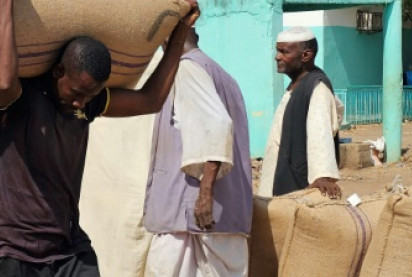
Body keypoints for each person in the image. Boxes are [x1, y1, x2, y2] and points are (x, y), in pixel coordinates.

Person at [0, 0, 199, 277]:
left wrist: (180, 32)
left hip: (68, 244)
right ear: (58, 73)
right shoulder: (22, 98)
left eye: (91, 95)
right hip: (15, 250)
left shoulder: (89, 102)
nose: (82, 103)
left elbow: (150, 100)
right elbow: (2, 78)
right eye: (78, 92)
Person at [143, 28, 252, 277]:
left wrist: (205, 195)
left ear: (168, 40)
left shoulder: (186, 69)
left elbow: (216, 125)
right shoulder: (221, 74)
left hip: (190, 217)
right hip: (216, 218)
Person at [257, 27, 344, 199]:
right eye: (277, 51)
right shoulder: (297, 84)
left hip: (299, 183)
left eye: (284, 52)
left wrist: (322, 175)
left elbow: (320, 133)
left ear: (306, 55)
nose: (277, 57)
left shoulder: (316, 87)